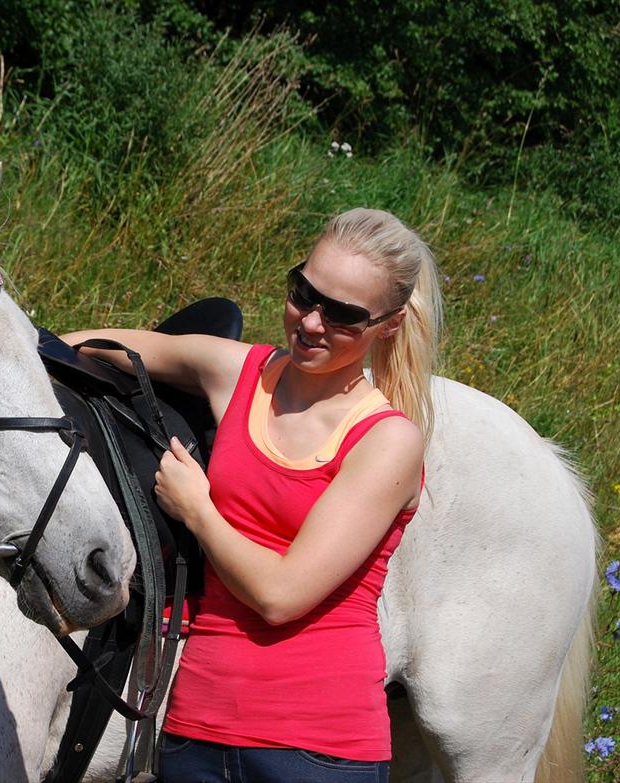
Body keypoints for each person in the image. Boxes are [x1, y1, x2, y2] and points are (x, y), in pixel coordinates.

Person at [62, 208, 441, 782]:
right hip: (195, 732)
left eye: (341, 316)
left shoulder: (388, 441)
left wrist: (198, 508)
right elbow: (105, 345)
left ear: (387, 325)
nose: (311, 322)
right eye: (303, 294)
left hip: (319, 749)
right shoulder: (240, 372)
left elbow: (280, 595)